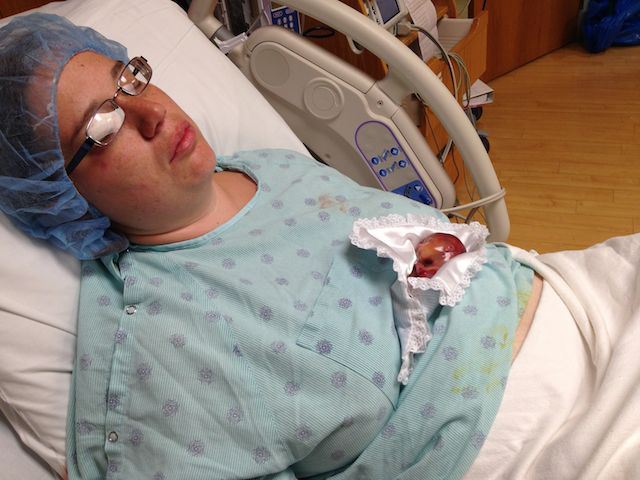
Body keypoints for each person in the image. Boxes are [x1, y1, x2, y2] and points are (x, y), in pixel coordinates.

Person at [0, 13, 544, 480]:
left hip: (552, 294)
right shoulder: (164, 348)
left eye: (129, 79)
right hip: (523, 427)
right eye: (103, 125)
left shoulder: (264, 165)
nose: (153, 113)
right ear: (60, 195)